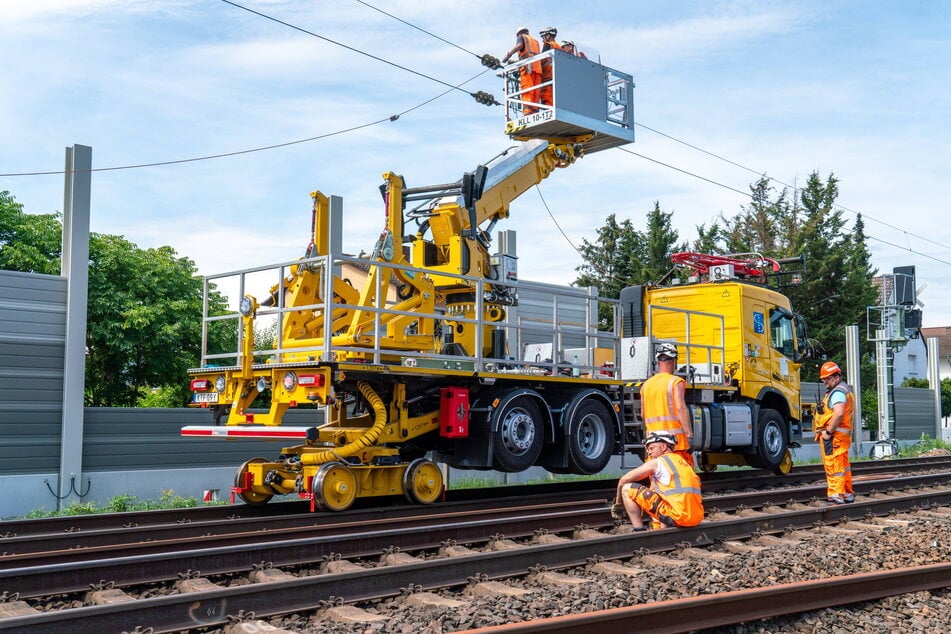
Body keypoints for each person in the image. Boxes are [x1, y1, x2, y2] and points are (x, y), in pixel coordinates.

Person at [612, 431, 704, 531]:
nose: (649, 452)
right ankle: (662, 528)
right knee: (659, 494)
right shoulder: (682, 462)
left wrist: (619, 504)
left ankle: (639, 529)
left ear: (663, 447)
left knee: (627, 488)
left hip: (678, 517)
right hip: (696, 517)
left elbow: (624, 479)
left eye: (652, 448)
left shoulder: (657, 462)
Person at [640, 342, 694, 465]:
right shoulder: (676, 382)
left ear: (658, 362)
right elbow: (681, 409)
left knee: (657, 479)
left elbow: (643, 415)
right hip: (675, 444)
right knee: (683, 479)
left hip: (654, 444)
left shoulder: (646, 385)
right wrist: (689, 435)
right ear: (674, 361)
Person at [815, 361, 855, 504]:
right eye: (824, 379)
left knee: (834, 465)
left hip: (834, 437)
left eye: (828, 378)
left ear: (837, 376)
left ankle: (836, 493)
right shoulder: (843, 389)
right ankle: (847, 493)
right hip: (841, 437)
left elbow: (838, 414)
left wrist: (828, 432)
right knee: (844, 466)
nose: (825, 381)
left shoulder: (837, 393)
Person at [502, 26, 542, 115]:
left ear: (519, 34)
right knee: (535, 90)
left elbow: (519, 45)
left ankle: (527, 111)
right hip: (537, 69)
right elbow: (530, 54)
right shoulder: (535, 41)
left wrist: (509, 55)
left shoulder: (522, 37)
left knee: (527, 89)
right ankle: (534, 111)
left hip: (528, 68)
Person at [538, 27, 561, 106]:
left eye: (544, 36)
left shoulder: (548, 45)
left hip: (547, 78)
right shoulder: (559, 47)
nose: (542, 39)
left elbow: (540, 60)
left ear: (548, 35)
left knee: (547, 100)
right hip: (556, 78)